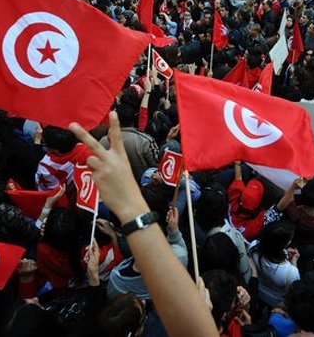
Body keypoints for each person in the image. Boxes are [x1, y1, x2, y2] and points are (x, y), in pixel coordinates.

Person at [69, 112, 217, 337]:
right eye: (142, 310)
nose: (138, 299)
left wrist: (93, 281)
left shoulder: (116, 283)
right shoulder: (177, 256)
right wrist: (201, 323)